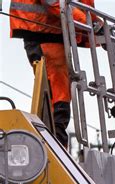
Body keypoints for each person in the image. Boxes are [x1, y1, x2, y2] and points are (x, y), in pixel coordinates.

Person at [9, 0, 97, 147]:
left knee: (59, 95)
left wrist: (96, 24)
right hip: (43, 34)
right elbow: (53, 2)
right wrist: (90, 24)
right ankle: (53, 148)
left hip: (50, 33)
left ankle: (55, 147)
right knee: (56, 97)